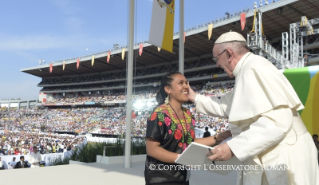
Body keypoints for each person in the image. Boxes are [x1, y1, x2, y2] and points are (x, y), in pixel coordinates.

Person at [188, 31, 319, 185]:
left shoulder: (254, 68)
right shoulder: (247, 70)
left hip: (285, 154)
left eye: (217, 58)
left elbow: (278, 120)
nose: (217, 64)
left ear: (229, 54)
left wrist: (233, 147)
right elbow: (226, 105)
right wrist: (194, 97)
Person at [144, 71, 230, 185]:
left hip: (182, 177)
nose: (186, 86)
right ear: (168, 89)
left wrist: (220, 137)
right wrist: (182, 158)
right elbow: (152, 149)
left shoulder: (187, 113)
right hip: (160, 178)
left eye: (186, 83)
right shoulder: (159, 114)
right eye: (180, 83)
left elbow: (190, 142)